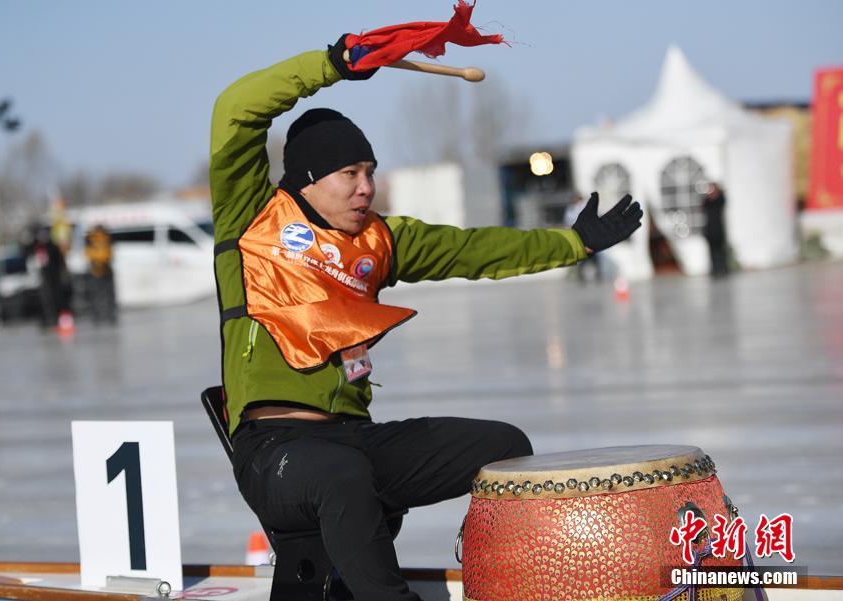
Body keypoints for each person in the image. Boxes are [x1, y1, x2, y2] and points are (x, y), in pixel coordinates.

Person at [209, 35, 642, 601]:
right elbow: (234, 110)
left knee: (503, 447)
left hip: (354, 442)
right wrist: (331, 65)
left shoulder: (379, 240)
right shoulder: (251, 219)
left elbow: (475, 250)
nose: (366, 186)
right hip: (275, 454)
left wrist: (575, 242)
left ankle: (505, 582)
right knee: (343, 476)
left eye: (370, 171)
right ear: (309, 178)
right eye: (350, 173)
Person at [84, 224, 117, 324]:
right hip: (101, 269)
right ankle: (107, 315)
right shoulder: (103, 238)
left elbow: (88, 254)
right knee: (106, 294)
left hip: (98, 269)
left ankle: (98, 315)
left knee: (98, 295)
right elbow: (109, 253)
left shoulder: (93, 238)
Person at [702, 182, 729, 277]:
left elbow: (722, 201)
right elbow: (703, 205)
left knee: (721, 250)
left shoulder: (719, 199)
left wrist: (717, 193)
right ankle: (715, 270)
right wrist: (708, 195)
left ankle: (724, 269)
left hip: (718, 228)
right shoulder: (707, 201)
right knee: (712, 252)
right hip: (710, 229)